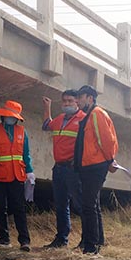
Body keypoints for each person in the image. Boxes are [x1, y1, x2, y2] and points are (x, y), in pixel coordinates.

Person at [0, 100, 34, 252]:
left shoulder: (22, 132)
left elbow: (26, 154)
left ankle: (24, 240)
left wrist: (30, 171)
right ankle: (4, 239)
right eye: (8, 116)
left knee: (19, 208)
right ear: (3, 116)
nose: (10, 118)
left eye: (13, 116)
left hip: (17, 175)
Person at [74, 85, 118, 255]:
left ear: (90, 98)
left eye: (81, 97)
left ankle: (91, 247)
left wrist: (110, 160)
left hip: (95, 166)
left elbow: (105, 140)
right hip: (89, 166)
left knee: (88, 205)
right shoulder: (90, 115)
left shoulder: (97, 114)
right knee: (93, 205)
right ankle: (97, 241)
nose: (78, 101)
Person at [41, 90, 85, 248]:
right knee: (61, 205)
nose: (66, 104)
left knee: (81, 205)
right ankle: (61, 239)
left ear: (77, 103)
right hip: (58, 168)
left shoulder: (83, 119)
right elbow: (46, 125)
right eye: (64, 101)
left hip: (73, 169)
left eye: (70, 101)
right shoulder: (59, 119)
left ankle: (86, 240)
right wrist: (47, 107)